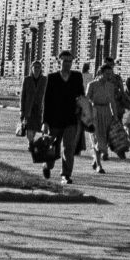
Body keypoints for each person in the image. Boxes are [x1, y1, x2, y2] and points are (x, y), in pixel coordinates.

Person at [39, 50, 86, 184]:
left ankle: (66, 174)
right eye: (64, 61)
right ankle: (47, 166)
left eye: (70, 61)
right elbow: (46, 101)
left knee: (69, 148)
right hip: (54, 120)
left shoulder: (77, 76)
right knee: (52, 148)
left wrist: (81, 106)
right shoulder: (52, 78)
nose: (67, 64)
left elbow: (81, 95)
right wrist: (45, 121)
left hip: (71, 119)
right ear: (59, 62)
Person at [86, 61, 126, 173]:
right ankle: (99, 164)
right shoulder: (92, 85)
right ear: (100, 73)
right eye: (106, 73)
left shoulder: (110, 86)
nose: (109, 76)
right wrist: (87, 114)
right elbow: (87, 99)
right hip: (95, 112)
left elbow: (112, 102)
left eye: (110, 73)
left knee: (105, 137)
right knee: (97, 138)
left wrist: (115, 115)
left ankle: (96, 159)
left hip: (106, 113)